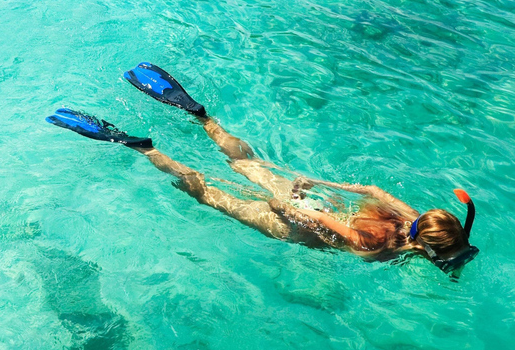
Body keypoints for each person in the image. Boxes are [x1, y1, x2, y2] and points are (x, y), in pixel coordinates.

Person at [47, 63, 479, 275]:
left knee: (245, 160)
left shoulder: (411, 217)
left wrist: (309, 184)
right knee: (205, 190)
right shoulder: (379, 246)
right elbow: (324, 224)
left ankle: (201, 117)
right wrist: (284, 207)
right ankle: (140, 148)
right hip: (293, 219)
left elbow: (367, 187)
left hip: (312, 194)